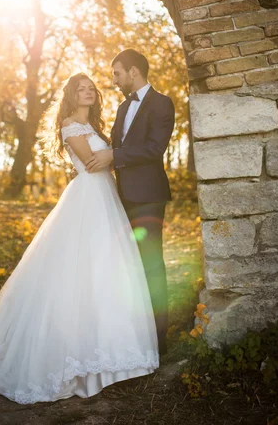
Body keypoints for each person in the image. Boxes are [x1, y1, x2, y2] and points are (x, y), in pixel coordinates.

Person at [0, 72, 159, 405]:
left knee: (106, 268)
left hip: (105, 198)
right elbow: (91, 162)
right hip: (88, 198)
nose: (88, 93)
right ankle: (77, 357)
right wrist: (117, 155)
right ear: (71, 96)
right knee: (80, 267)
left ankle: (112, 354)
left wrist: (116, 154)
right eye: (81, 89)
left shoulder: (96, 128)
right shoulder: (71, 125)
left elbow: (107, 158)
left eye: (91, 89)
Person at [85, 50, 175, 355]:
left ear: (134, 72)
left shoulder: (162, 104)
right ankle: (134, 334)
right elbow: (116, 147)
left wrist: (114, 156)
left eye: (117, 73)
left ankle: (159, 340)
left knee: (151, 265)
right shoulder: (123, 108)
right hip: (120, 197)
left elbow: (154, 149)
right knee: (127, 266)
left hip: (148, 197)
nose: (114, 80)